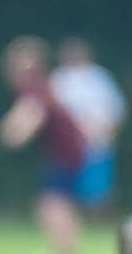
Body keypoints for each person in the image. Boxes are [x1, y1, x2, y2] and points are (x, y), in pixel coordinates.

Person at [0, 37, 87, 254]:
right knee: (58, 202)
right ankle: (68, 249)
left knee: (51, 203)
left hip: (66, 152)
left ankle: (65, 250)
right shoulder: (42, 84)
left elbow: (31, 114)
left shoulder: (34, 86)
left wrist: (13, 134)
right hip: (70, 151)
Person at [52, 36, 123, 213]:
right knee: (64, 193)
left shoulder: (98, 77)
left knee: (98, 194)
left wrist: (107, 137)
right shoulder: (59, 78)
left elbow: (114, 111)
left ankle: (102, 226)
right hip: (67, 148)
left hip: (96, 146)